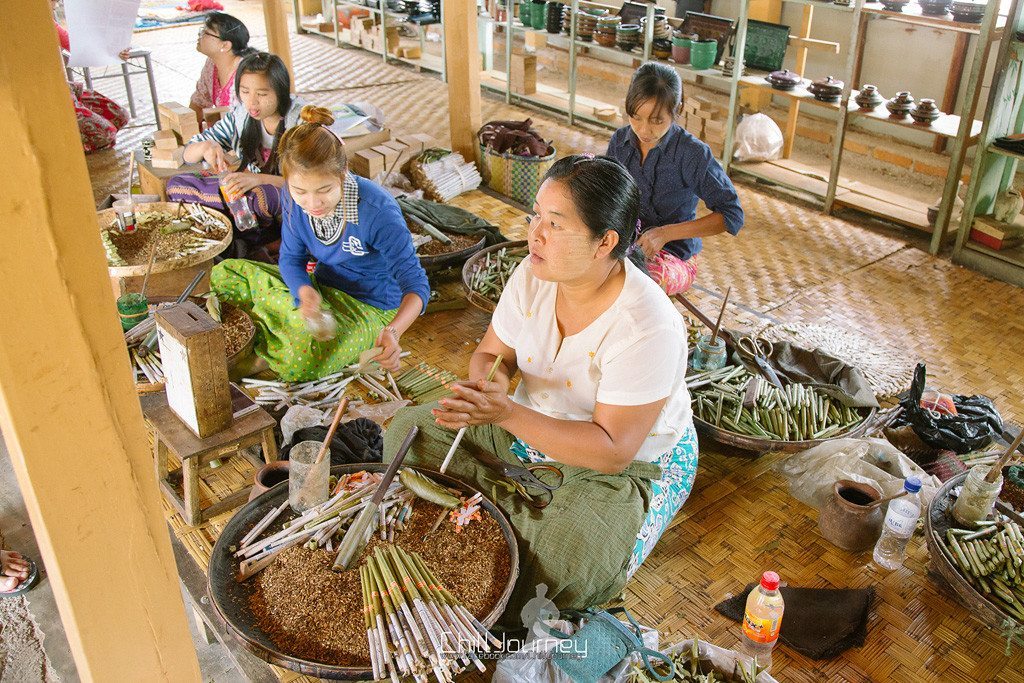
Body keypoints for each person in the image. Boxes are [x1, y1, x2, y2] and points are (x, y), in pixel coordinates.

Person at [382, 155, 698, 627]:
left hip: (619, 461)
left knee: (565, 560)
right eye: (535, 215)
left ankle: (503, 525)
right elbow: (493, 355)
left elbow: (613, 450)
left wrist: (503, 413)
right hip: (524, 423)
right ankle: (500, 518)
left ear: (604, 242)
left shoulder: (647, 326)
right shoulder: (532, 275)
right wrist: (487, 389)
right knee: (410, 431)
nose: (535, 233)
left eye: (555, 223)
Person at [211, 105, 430, 381]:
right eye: (300, 191)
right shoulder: (292, 198)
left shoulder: (376, 210)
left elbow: (417, 286)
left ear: (343, 173)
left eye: (324, 190)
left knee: (302, 361)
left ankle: (271, 334)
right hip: (321, 289)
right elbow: (291, 259)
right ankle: (276, 335)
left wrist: (394, 331)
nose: (312, 203)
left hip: (370, 306)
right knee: (226, 272)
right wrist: (303, 291)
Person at [606, 62, 744, 295]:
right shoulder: (620, 142)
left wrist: (665, 233)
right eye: (636, 117)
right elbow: (607, 194)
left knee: (639, 283)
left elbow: (732, 215)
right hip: (626, 244)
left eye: (656, 120)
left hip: (674, 256)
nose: (644, 130)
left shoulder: (692, 154)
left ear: (677, 108)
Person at [168, 51, 304, 257]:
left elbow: (312, 181)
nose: (252, 102)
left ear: (281, 92)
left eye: (262, 94)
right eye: (245, 91)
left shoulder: (301, 124)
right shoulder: (240, 116)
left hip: (289, 199)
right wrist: (206, 146)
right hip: (249, 198)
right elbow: (187, 154)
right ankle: (240, 241)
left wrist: (258, 179)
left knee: (263, 197)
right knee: (177, 184)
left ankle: (267, 243)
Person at [53, 1, 129, 153]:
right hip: (49, 96)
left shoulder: (49, 23)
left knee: (120, 115)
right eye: (51, 2)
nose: (55, 6)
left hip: (63, 89)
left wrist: (114, 51)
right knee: (106, 134)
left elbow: (75, 44)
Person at [189, 12, 253, 120]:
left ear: (225, 45)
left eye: (205, 32)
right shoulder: (211, 64)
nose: (200, 35)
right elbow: (200, 101)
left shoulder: (246, 74)